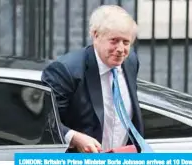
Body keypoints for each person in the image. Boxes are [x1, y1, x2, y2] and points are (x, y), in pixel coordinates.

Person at [41, 5, 143, 153]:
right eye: (114, 40)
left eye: (126, 42)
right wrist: (74, 138)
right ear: (95, 35)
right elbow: (45, 122)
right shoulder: (65, 71)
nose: (121, 49)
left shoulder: (130, 61)